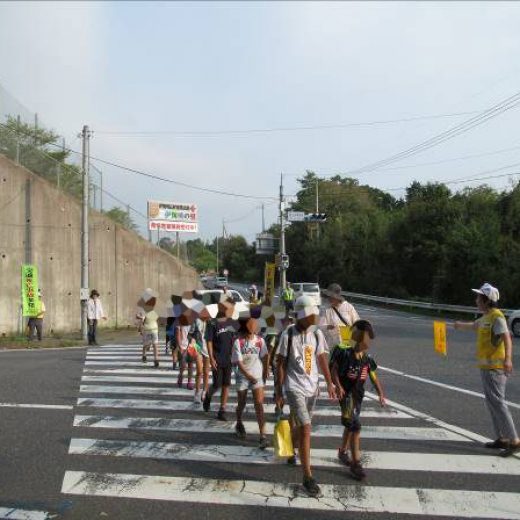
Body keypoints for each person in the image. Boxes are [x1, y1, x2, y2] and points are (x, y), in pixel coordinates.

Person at [275, 295, 337, 498]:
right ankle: (307, 477)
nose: (314, 318)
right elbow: (281, 363)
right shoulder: (288, 334)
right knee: (306, 427)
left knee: (301, 426)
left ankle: (289, 447)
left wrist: (329, 382)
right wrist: (278, 390)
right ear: (301, 315)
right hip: (294, 387)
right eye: (310, 314)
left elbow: (321, 359)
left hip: (312, 387)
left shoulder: (317, 334)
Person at [454, 283, 519, 457]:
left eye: (478, 297)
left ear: (487, 300)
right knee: (492, 403)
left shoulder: (497, 317)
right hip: (486, 367)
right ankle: (502, 438)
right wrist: (458, 325)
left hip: (496, 368)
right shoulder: (485, 318)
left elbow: (507, 339)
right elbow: (473, 326)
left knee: (498, 402)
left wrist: (508, 360)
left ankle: (514, 440)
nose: (476, 300)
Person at [330, 319, 385, 480]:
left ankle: (342, 452)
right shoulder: (343, 351)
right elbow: (333, 370)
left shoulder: (366, 358)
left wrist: (380, 393)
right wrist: (337, 386)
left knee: (350, 425)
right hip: (345, 395)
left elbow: (372, 375)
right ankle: (355, 463)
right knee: (355, 426)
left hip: (357, 396)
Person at [232, 310, 269, 448]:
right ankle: (239, 421)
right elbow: (239, 363)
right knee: (241, 403)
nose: (252, 331)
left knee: (259, 404)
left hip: (257, 375)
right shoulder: (238, 342)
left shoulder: (260, 341)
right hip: (242, 376)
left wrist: (265, 370)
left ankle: (263, 435)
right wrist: (248, 376)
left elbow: (265, 355)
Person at [203, 296, 238, 421]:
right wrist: (211, 358)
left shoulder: (232, 322)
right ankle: (208, 395)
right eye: (231, 308)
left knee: (226, 384)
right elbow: (209, 341)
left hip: (228, 358)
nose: (233, 310)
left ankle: (222, 410)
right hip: (217, 358)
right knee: (217, 384)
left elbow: (235, 339)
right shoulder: (213, 322)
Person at [321, 283, 360, 350]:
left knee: (348, 358)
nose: (329, 299)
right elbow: (321, 325)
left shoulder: (348, 307)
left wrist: (351, 331)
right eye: (328, 296)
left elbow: (358, 323)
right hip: (333, 345)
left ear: (336, 297)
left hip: (348, 343)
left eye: (331, 297)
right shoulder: (327, 310)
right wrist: (327, 326)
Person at [135, 289, 160, 368]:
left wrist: (139, 327)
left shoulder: (146, 309)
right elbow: (139, 317)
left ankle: (149, 357)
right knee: (152, 345)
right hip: (151, 329)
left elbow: (141, 318)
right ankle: (152, 358)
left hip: (150, 329)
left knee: (150, 344)